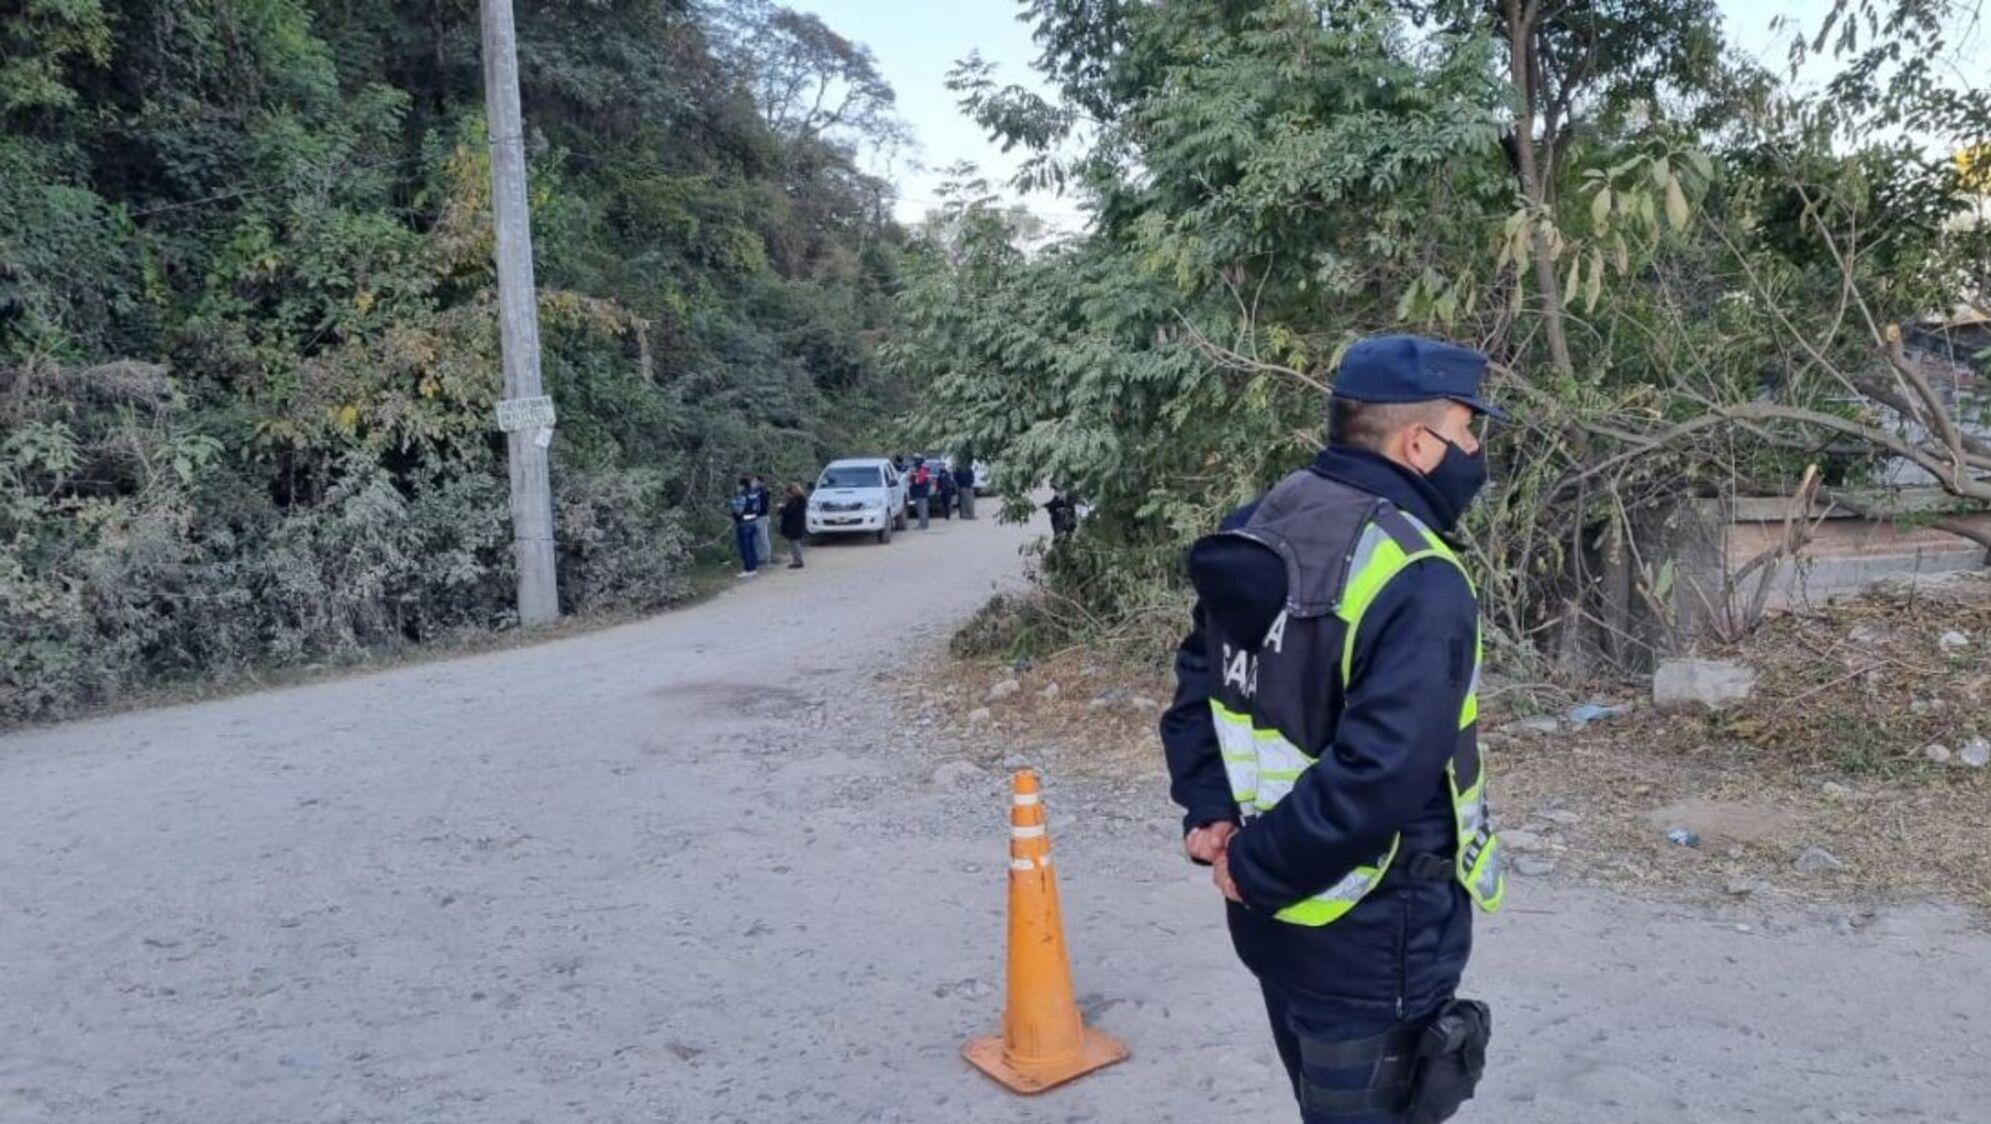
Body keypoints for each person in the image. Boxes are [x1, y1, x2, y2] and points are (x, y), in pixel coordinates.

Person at [1162, 335, 1507, 1123]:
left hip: (1269, 919)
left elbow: (1197, 682)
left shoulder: (1259, 521)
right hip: (1373, 932)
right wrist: (1252, 862)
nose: (1475, 449)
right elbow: (1381, 771)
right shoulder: (1415, 571)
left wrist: (1211, 811)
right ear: (1418, 444)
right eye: (1466, 429)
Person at [728, 476, 760, 577]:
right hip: (753, 522)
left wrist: (732, 504)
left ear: (742, 485)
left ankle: (748, 569)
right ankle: (753, 567)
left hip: (744, 524)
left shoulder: (742, 495)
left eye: (738, 485)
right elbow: (758, 508)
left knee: (745, 547)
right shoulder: (754, 494)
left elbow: (739, 510)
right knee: (751, 546)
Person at [779, 482, 808, 569]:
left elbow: (790, 512)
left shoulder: (798, 500)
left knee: (795, 543)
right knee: (794, 543)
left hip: (795, 524)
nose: (787, 495)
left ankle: (798, 561)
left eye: (788, 493)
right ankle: (796, 559)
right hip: (796, 523)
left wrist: (781, 508)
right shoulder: (798, 500)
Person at [749, 474, 773, 569]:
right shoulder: (754, 492)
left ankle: (766, 557)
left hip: (762, 517)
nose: (754, 483)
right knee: (756, 538)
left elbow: (764, 503)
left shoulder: (764, 492)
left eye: (755, 481)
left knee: (763, 537)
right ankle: (759, 557)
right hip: (755, 517)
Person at [908, 456, 933, 530]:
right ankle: (923, 524)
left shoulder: (922, 471)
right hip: (919, 493)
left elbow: (918, 482)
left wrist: (913, 475)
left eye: (915, 461)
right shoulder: (919, 471)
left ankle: (923, 525)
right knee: (921, 510)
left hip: (921, 493)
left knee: (922, 510)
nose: (914, 463)